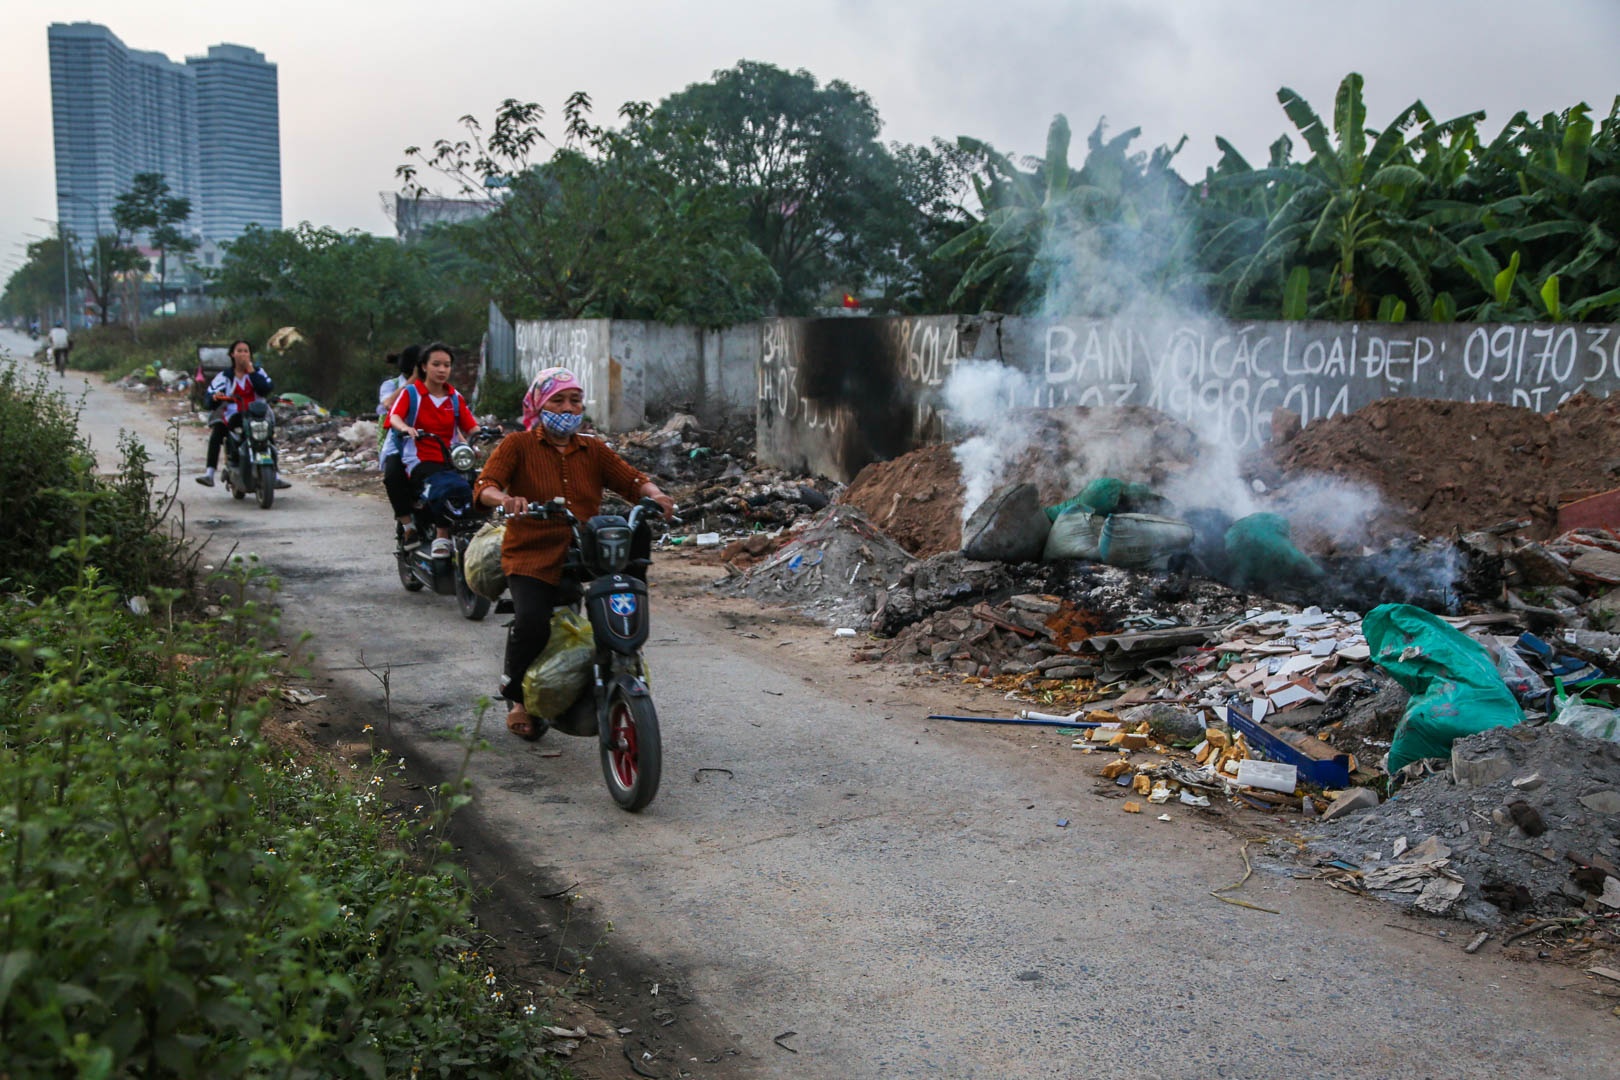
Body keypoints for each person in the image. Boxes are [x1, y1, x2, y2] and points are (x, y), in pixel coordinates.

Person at [474, 367, 674, 741]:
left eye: (575, 400)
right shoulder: (517, 445)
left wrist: (655, 495)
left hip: (584, 550)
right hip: (531, 553)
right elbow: (486, 485)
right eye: (558, 400)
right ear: (539, 403)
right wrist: (506, 499)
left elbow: (630, 479)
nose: (567, 408)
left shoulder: (592, 448)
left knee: (612, 604)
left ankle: (613, 669)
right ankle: (515, 694)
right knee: (532, 622)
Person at [384, 342, 479, 557]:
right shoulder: (411, 393)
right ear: (424, 367)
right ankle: (434, 534)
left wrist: (486, 434)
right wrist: (406, 428)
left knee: (473, 486)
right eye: (436, 364)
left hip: (448, 457)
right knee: (440, 486)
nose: (442, 370)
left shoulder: (454, 398)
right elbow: (395, 416)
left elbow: (471, 426)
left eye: (447, 365)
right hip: (418, 457)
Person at [195, 339, 290, 489]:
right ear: (232, 355)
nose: (243, 354)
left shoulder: (258, 372)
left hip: (257, 415)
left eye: (246, 351)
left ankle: (276, 476)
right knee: (217, 433)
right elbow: (211, 396)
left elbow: (265, 389)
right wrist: (215, 397)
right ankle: (209, 473)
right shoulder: (225, 376)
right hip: (234, 417)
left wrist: (251, 371)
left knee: (268, 438)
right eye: (239, 351)